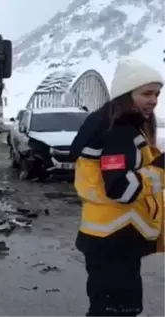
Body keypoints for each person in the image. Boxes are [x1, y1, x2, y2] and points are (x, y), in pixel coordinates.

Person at [70, 58, 163, 316]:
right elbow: (120, 189)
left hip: (110, 240)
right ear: (126, 93)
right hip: (116, 241)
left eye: (157, 93)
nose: (154, 100)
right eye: (146, 93)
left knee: (105, 309)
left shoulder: (111, 124)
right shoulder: (119, 132)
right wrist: (158, 171)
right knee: (117, 311)